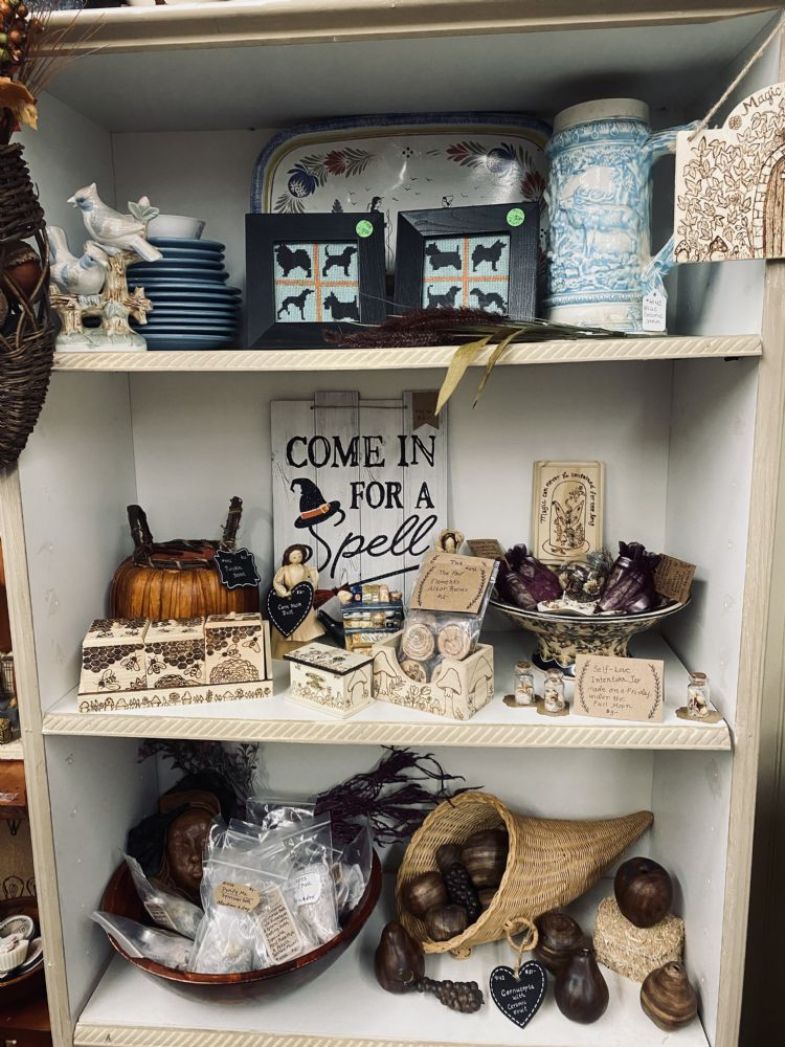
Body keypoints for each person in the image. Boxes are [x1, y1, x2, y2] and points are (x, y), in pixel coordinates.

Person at [272, 543, 324, 643]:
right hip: (290, 597)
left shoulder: (306, 568)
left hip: (302, 597)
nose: (297, 558)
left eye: (299, 556)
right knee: (289, 616)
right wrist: (283, 592)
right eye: (294, 556)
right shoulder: (284, 569)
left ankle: (306, 638)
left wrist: (313, 581)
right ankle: (289, 638)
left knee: (306, 618)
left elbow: (313, 582)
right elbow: (277, 582)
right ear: (288, 557)